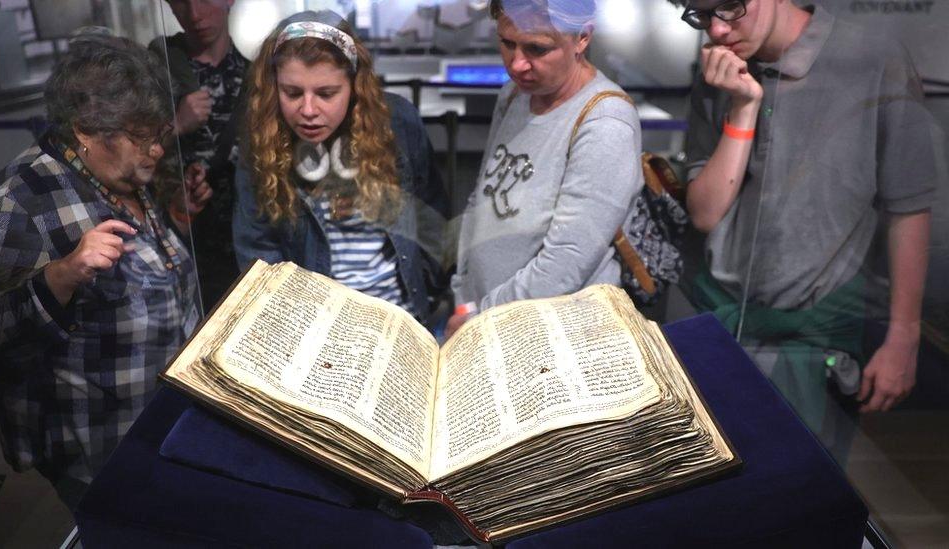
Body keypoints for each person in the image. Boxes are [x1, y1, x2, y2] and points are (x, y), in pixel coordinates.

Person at [672, 0, 940, 450]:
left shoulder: (871, 57)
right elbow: (705, 210)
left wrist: (904, 336)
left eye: (731, 7)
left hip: (812, 337)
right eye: (700, 14)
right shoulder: (721, 69)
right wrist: (742, 108)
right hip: (722, 322)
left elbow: (908, 205)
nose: (717, 30)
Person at [0, 33, 209, 509]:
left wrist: (178, 220)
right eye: (141, 137)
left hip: (160, 428)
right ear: (84, 129)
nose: (157, 151)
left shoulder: (121, 176)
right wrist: (61, 275)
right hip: (96, 446)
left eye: (158, 134)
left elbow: (149, 275)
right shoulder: (22, 194)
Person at [233, 11, 449, 327]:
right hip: (317, 326)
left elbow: (432, 216)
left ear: (354, 86)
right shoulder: (261, 142)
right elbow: (258, 258)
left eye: (326, 94)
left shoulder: (398, 123)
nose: (308, 110)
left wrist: (428, 291)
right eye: (292, 93)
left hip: (403, 319)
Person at [448, 0, 644, 335]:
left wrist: (482, 315)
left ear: (582, 38)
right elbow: (482, 198)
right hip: (483, 315)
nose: (517, 64)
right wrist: (463, 288)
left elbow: (566, 261)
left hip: (549, 329)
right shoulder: (514, 94)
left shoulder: (606, 121)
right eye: (507, 43)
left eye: (537, 49)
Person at [151, 0, 249, 312]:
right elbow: (117, 156)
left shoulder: (257, 77)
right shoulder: (152, 74)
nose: (194, 15)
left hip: (246, 247)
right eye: (181, 2)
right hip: (175, 246)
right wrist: (176, 126)